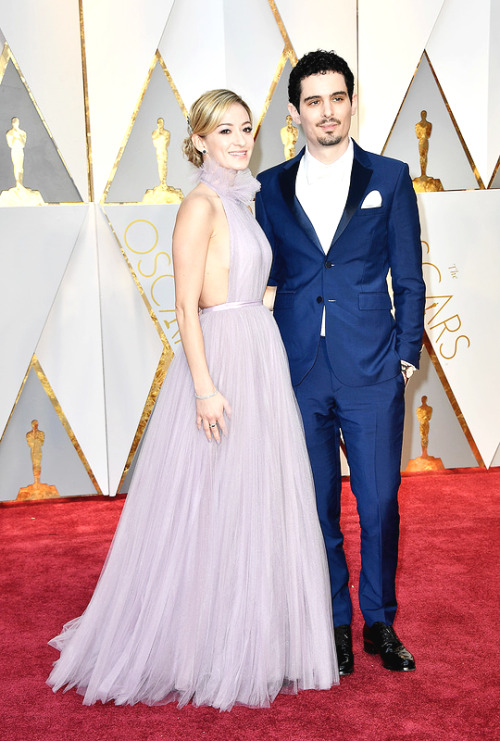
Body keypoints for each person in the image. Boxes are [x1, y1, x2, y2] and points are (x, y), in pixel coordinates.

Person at [47, 89, 338, 710]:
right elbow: (185, 304)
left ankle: (253, 638)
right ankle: (198, 642)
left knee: (253, 496)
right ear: (200, 139)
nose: (238, 140)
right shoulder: (201, 205)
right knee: (209, 500)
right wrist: (204, 388)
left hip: (257, 351)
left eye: (244, 129)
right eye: (224, 131)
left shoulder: (241, 202)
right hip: (221, 361)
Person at [256, 51, 425, 676]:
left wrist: (406, 357)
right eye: (314, 101)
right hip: (298, 370)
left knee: (380, 503)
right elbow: (265, 274)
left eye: (337, 98)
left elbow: (408, 277)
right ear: (296, 112)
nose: (327, 111)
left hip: (374, 368)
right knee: (315, 503)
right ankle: (333, 624)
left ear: (352, 102)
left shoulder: (391, 175)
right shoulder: (269, 188)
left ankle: (379, 621)